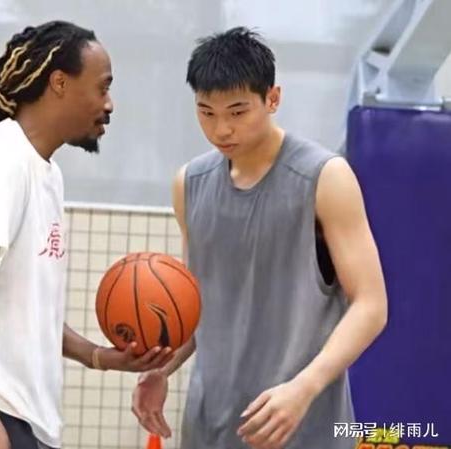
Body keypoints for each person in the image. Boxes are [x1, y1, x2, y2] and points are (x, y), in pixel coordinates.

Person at [0, 20, 172, 449]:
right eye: (102, 88)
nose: (109, 104)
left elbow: (29, 309)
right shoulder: (1, 158)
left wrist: (99, 356)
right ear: (59, 83)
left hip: (21, 418)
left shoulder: (46, 173)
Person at [131, 27, 388, 449]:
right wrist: (160, 368)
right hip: (209, 428)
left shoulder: (325, 177)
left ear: (273, 98)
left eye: (237, 112)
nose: (221, 129)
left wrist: (304, 387)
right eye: (206, 112)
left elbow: (372, 306)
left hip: (303, 428)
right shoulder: (189, 184)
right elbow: (197, 307)